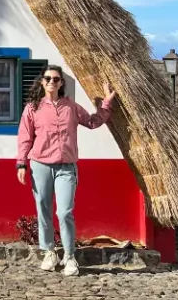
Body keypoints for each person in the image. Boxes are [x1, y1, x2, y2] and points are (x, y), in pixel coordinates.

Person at [16, 66, 116, 277]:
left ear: (61, 83)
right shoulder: (32, 108)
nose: (52, 81)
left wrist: (106, 103)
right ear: (42, 82)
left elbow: (92, 121)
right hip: (40, 165)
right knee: (43, 209)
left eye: (56, 79)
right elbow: (25, 137)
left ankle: (69, 256)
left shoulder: (71, 107)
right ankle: (49, 252)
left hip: (66, 167)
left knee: (65, 212)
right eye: (48, 78)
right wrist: (21, 163)